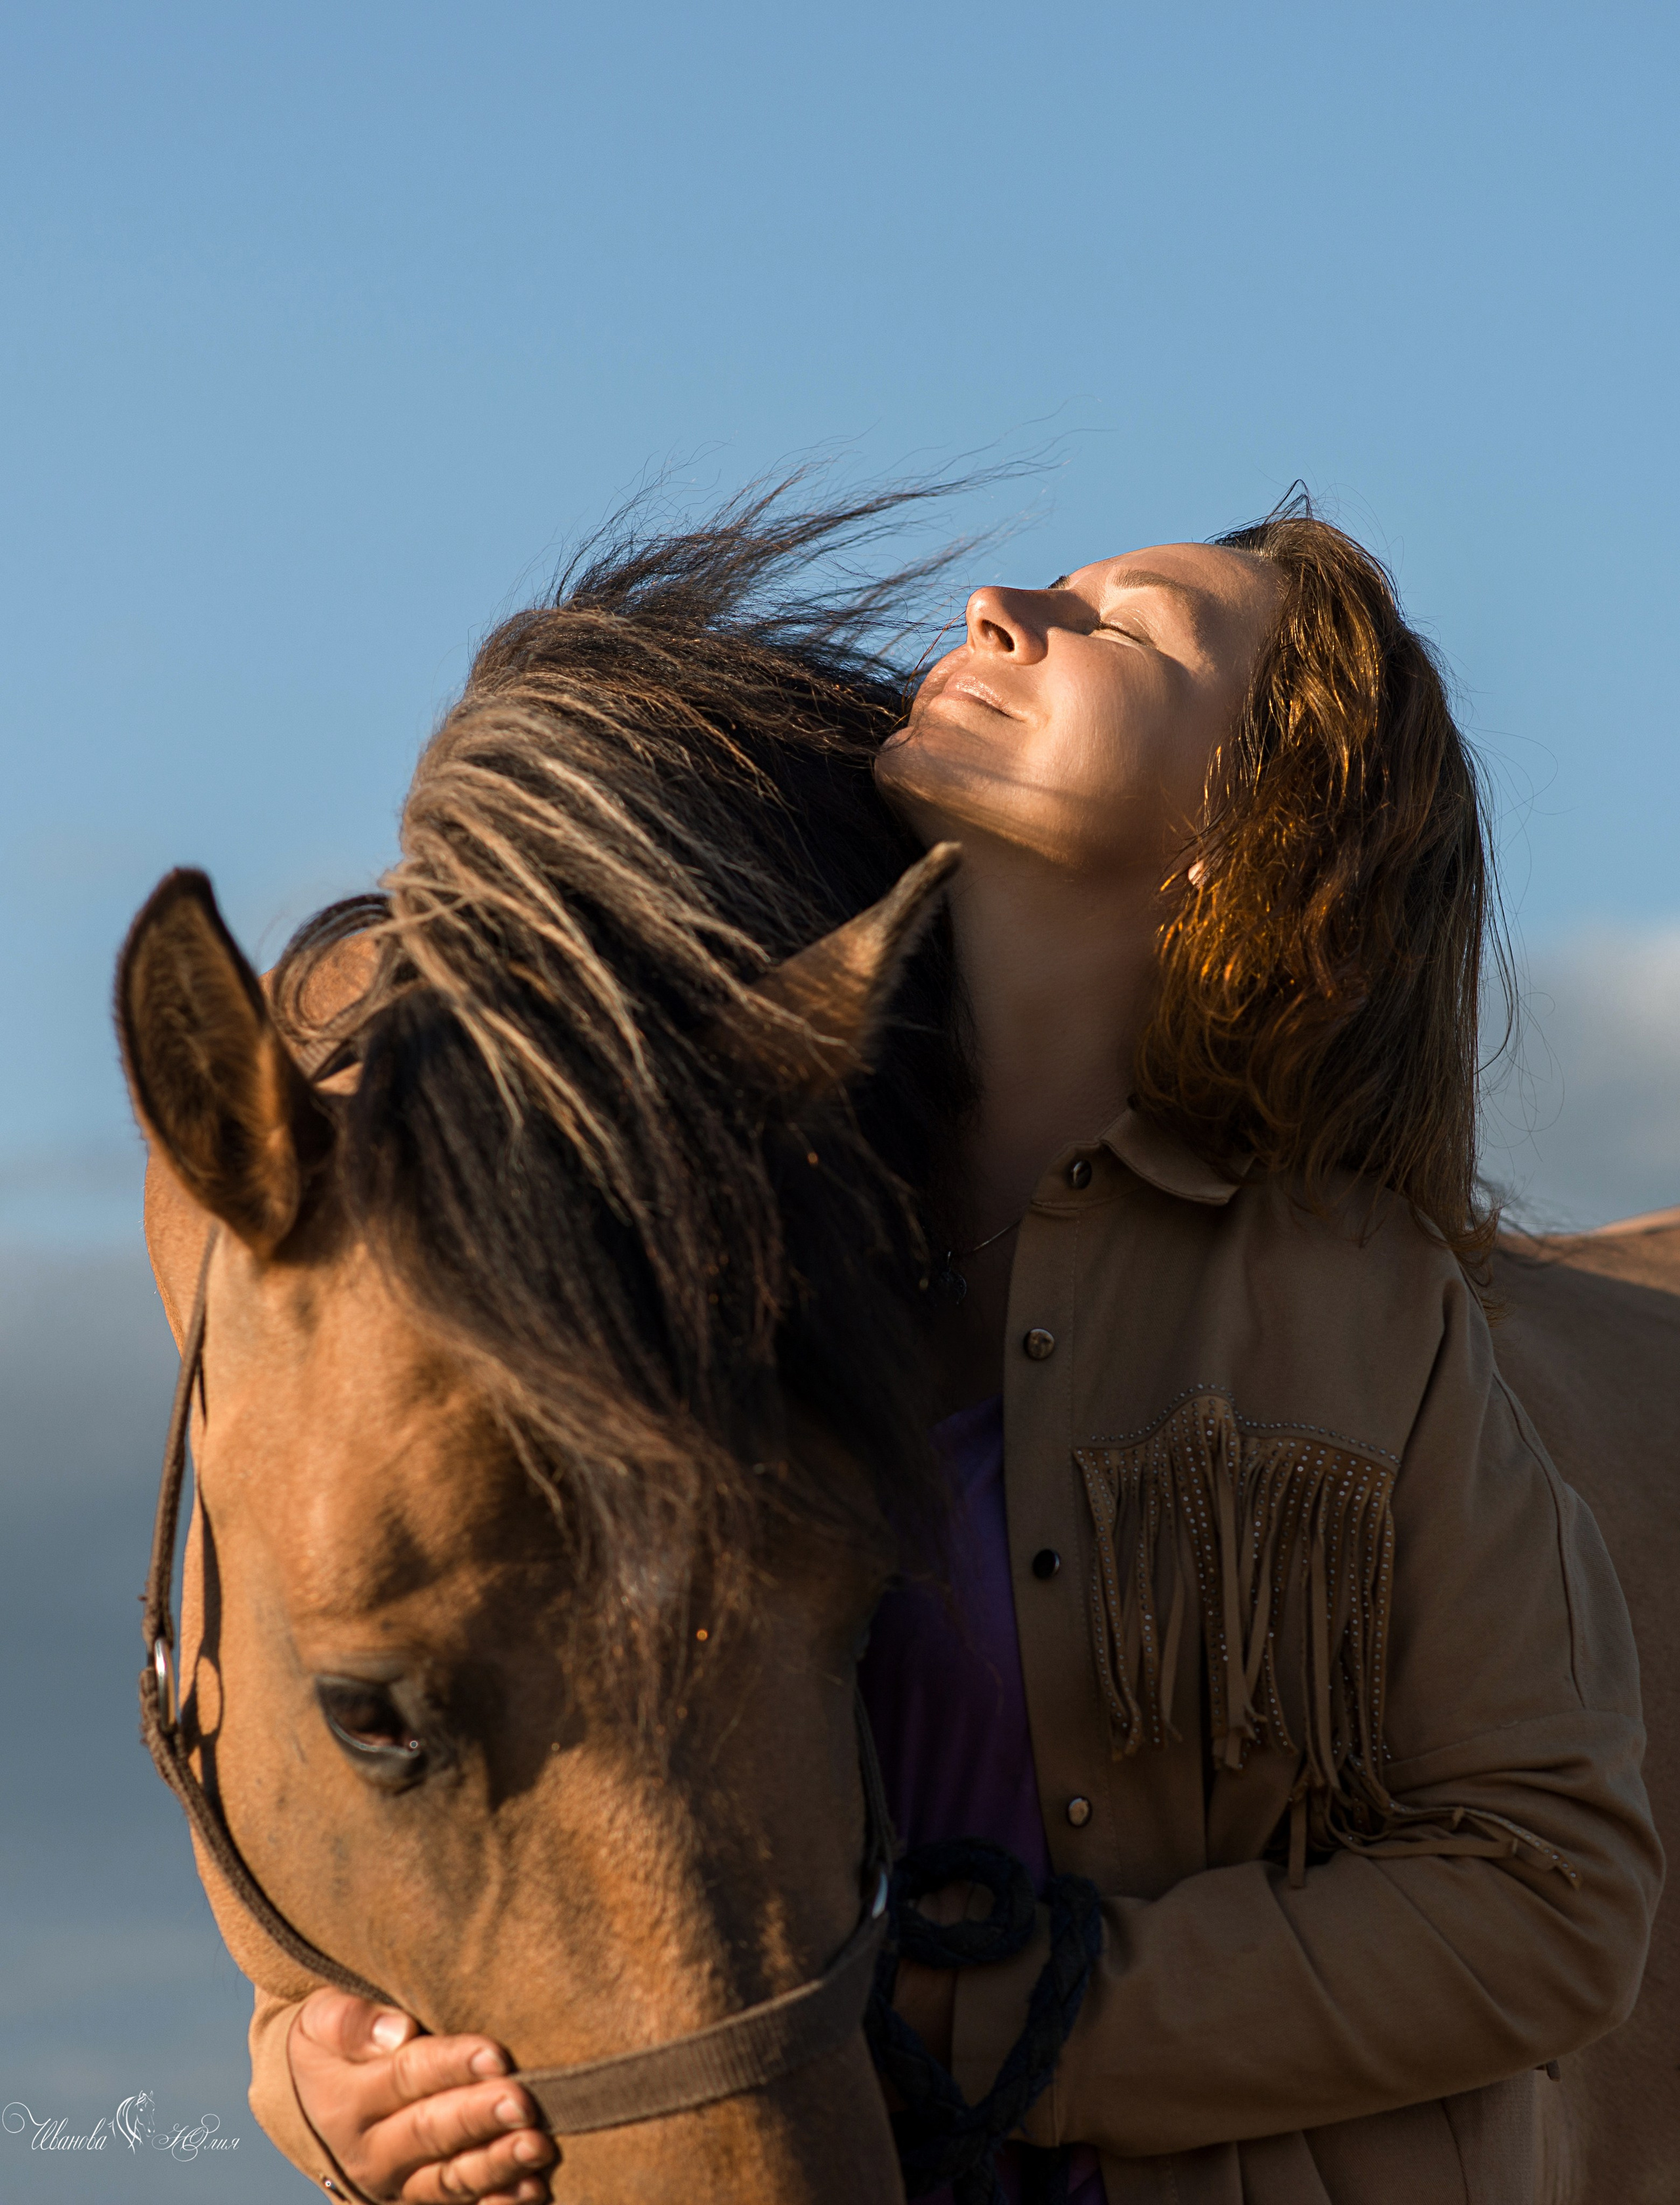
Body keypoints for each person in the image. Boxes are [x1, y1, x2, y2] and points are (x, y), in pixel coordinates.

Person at [237, 495, 1659, 2205]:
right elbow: (471, 1714)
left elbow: (1549, 1893)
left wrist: (988, 2019)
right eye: (1043, 592)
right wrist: (324, 2064)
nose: (996, 606)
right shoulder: (695, 1234)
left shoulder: (1359, 1312)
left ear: (1249, 833)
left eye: (1123, 630)